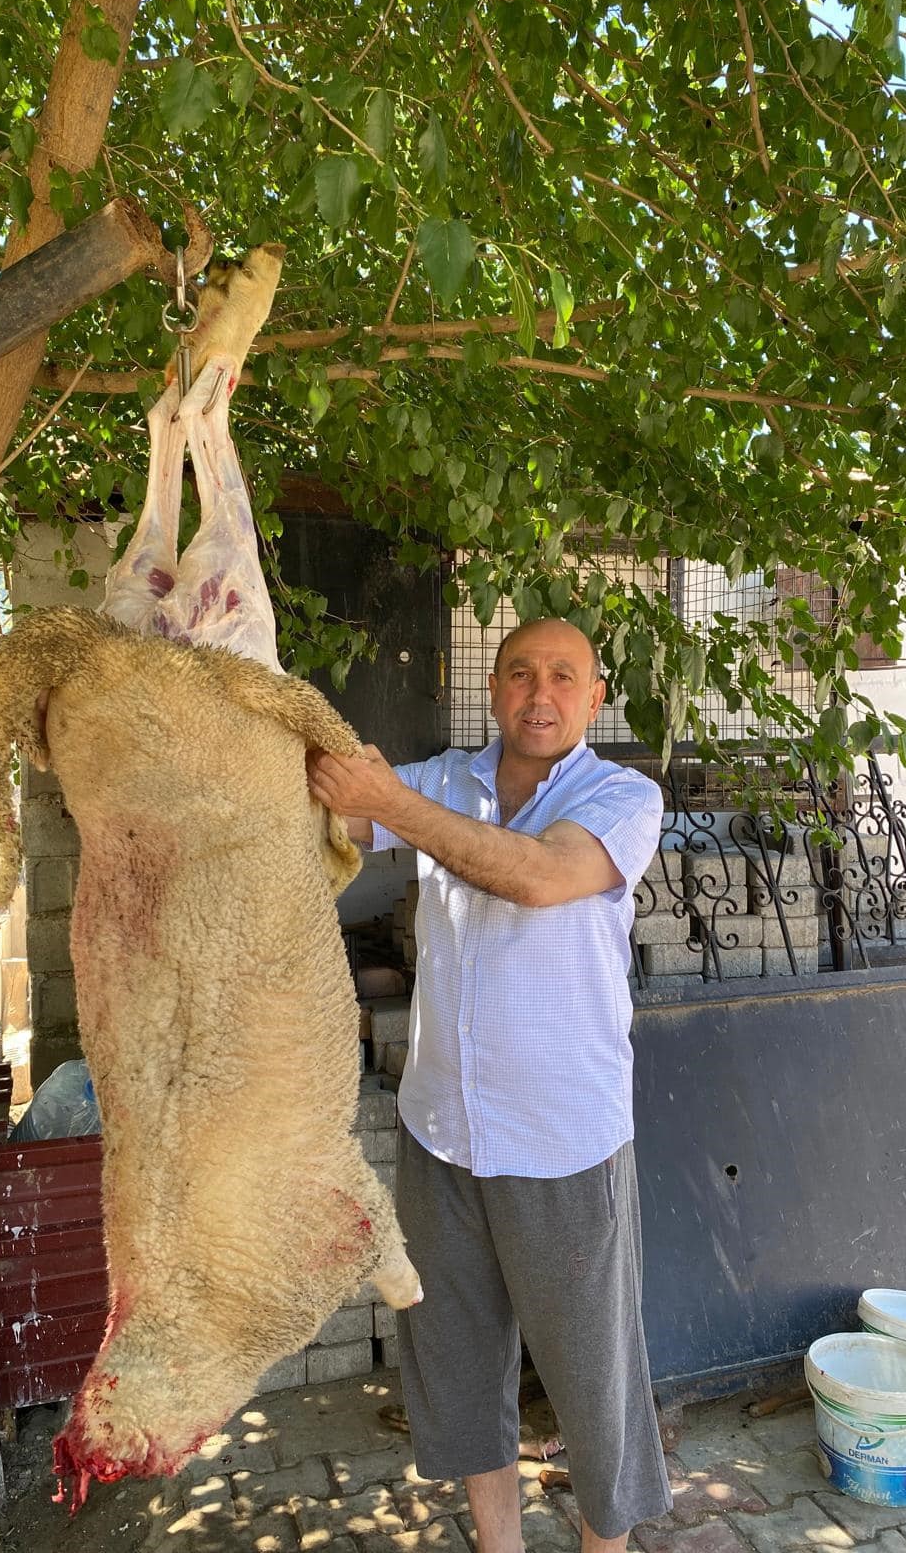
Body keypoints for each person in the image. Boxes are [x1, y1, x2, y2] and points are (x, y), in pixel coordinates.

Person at [306, 616, 672, 1553]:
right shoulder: (445, 781)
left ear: (594, 698)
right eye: (519, 673)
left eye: (562, 676)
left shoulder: (621, 795)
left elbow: (543, 877)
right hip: (442, 1132)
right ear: (494, 689)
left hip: (562, 1141)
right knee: (459, 1364)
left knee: (593, 1380)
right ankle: (498, 1545)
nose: (538, 693)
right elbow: (339, 812)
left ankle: (604, 1546)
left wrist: (393, 800)